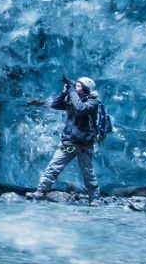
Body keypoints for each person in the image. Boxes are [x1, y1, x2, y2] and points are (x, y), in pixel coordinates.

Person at [31, 75, 102, 204]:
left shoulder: (93, 102)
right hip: (68, 141)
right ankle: (41, 191)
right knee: (53, 167)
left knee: (87, 173)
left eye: (79, 86)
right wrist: (64, 93)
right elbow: (55, 104)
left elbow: (81, 109)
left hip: (83, 144)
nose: (75, 87)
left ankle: (95, 198)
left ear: (86, 89)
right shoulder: (72, 100)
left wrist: (71, 91)